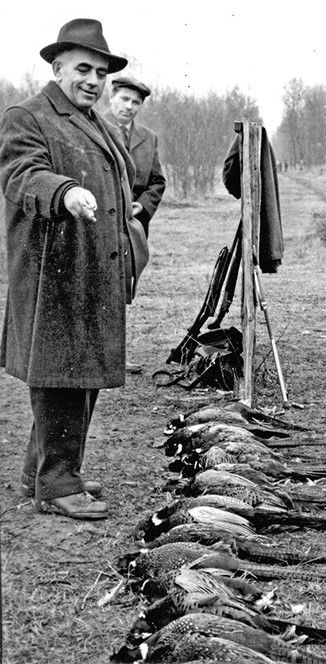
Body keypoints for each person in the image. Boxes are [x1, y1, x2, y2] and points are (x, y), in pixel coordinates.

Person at [0, 18, 147, 519]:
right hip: (53, 272)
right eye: (83, 68)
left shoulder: (94, 122)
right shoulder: (28, 115)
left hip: (94, 269)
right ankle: (58, 485)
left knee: (80, 371)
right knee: (62, 373)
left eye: (101, 73)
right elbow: (22, 175)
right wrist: (64, 192)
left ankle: (39, 471)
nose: (94, 80)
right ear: (57, 67)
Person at [104, 75, 166, 237]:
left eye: (136, 102)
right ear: (111, 97)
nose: (129, 106)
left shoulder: (149, 138)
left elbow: (157, 182)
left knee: (135, 262)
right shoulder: (92, 128)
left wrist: (142, 206)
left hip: (135, 226)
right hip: (101, 225)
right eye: (124, 99)